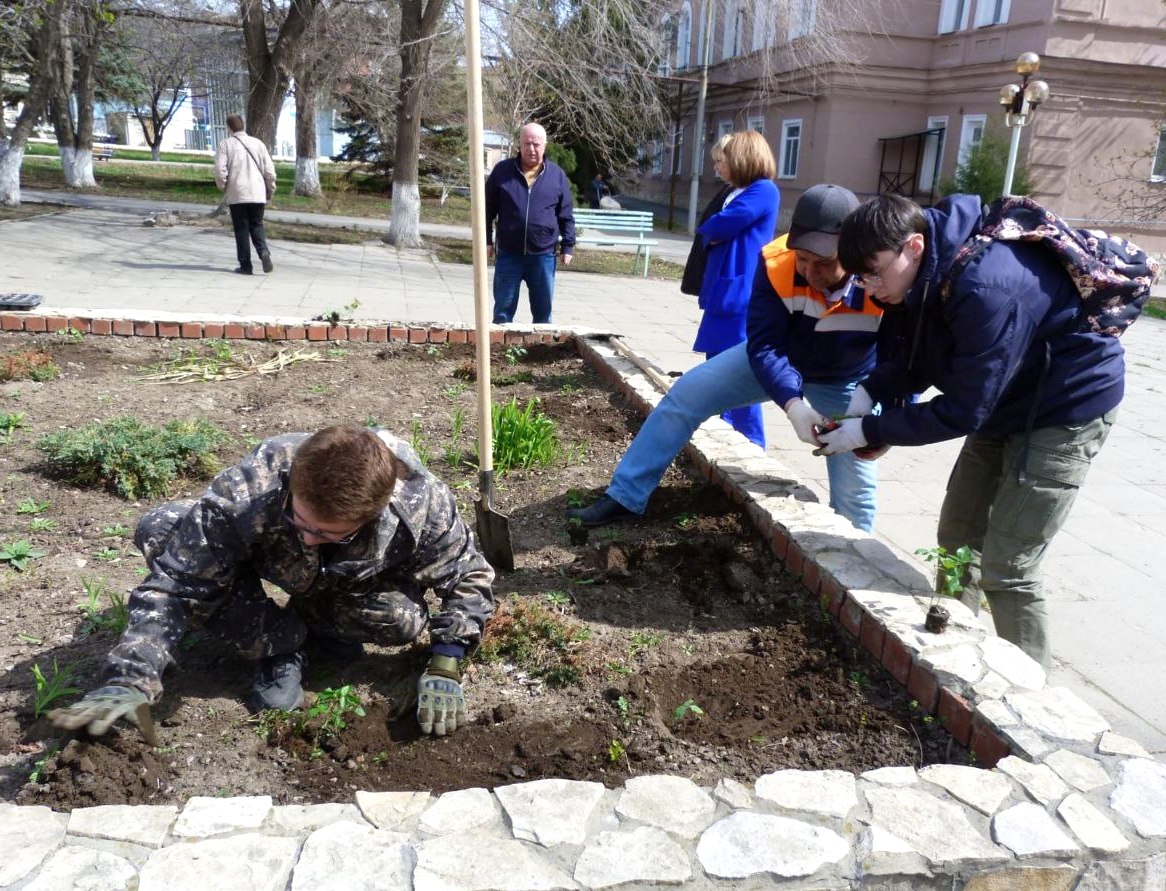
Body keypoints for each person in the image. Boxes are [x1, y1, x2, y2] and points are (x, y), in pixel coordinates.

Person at [819, 193, 1125, 670]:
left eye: (875, 271)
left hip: (1064, 406)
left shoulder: (987, 286)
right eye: (860, 275)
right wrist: (871, 393)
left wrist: (871, 429)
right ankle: (955, 657)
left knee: (1010, 567)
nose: (869, 286)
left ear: (914, 245)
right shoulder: (922, 273)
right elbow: (918, 353)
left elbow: (964, 410)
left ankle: (1026, 702)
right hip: (1005, 398)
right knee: (958, 537)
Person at [49, 425, 495, 740]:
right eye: (300, 520)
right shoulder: (254, 485)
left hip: (346, 583)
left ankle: (317, 628)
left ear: (369, 515)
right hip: (265, 560)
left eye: (325, 531)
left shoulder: (420, 502)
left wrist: (445, 663)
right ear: (292, 485)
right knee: (163, 529)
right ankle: (278, 644)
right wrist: (130, 679)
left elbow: (469, 575)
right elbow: (174, 585)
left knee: (399, 620)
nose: (307, 536)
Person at [568, 184, 892, 534]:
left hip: (844, 380)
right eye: (803, 259)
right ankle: (625, 497)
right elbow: (765, 346)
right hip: (780, 360)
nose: (811, 273)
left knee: (855, 488)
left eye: (824, 263)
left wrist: (885, 420)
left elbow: (904, 357)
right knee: (686, 395)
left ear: (852, 249)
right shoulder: (776, 263)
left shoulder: (880, 275)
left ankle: (852, 554)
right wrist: (793, 404)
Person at [691, 130, 780, 447]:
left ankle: (751, 443)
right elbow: (713, 226)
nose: (716, 167)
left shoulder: (763, 190)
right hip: (722, 292)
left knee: (739, 373)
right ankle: (724, 435)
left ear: (742, 159)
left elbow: (722, 224)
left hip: (739, 295)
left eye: (721, 161)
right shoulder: (736, 190)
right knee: (716, 370)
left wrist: (713, 229)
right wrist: (713, 229)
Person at [485, 122, 576, 324]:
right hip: (509, 254)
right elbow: (486, 209)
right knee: (502, 312)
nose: (531, 149)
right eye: (527, 144)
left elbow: (566, 214)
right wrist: (486, 241)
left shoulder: (556, 175)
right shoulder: (502, 171)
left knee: (543, 314)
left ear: (544, 145)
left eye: (536, 144)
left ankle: (541, 353)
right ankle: (501, 353)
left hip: (543, 256)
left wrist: (568, 246)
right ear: (520, 144)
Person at [214, 114, 277, 276]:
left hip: (238, 193)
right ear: (243, 126)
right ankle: (264, 252)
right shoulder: (258, 144)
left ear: (229, 128)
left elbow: (220, 171)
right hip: (258, 193)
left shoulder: (225, 145)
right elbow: (269, 171)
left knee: (241, 228)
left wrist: (224, 186)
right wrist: (271, 188)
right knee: (257, 225)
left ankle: (246, 265)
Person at [679, 135, 735, 298]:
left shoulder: (752, 191)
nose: (715, 167)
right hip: (713, 278)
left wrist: (711, 233)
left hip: (727, 283)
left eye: (719, 161)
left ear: (735, 160)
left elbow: (717, 228)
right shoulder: (727, 190)